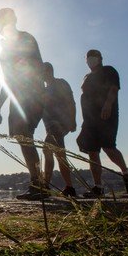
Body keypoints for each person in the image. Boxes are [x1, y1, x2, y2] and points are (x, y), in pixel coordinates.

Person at [0, 8, 46, 200]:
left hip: (30, 95)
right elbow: (7, 81)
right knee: (23, 138)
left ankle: (39, 184)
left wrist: (36, 93)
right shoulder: (4, 51)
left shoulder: (26, 39)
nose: (0, 27)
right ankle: (37, 182)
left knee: (25, 136)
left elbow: (36, 68)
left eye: (2, 22)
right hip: (18, 98)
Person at [77, 49, 128, 197]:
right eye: (88, 57)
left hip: (105, 115)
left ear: (100, 58)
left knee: (108, 147)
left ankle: (126, 172)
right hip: (89, 120)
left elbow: (114, 89)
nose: (90, 60)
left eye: (93, 56)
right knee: (92, 152)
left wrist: (108, 104)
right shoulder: (86, 77)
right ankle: (98, 187)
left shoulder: (109, 71)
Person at [41, 62, 77, 197]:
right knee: (60, 154)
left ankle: (45, 187)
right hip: (49, 126)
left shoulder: (60, 83)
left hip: (59, 123)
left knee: (47, 149)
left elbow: (70, 101)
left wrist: (72, 120)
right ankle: (70, 187)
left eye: (43, 72)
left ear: (49, 71)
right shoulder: (44, 90)